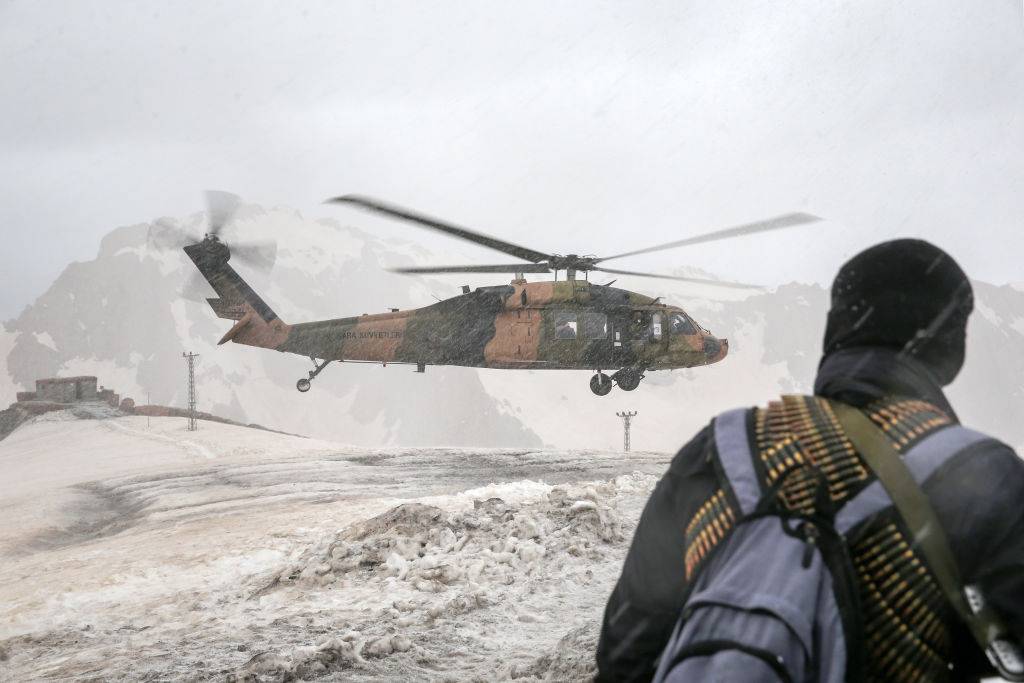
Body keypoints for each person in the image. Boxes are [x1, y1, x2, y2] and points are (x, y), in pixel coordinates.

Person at [596, 239, 1024, 682]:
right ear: (949, 345)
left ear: (835, 333)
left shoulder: (721, 447)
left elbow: (626, 649)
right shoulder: (983, 473)